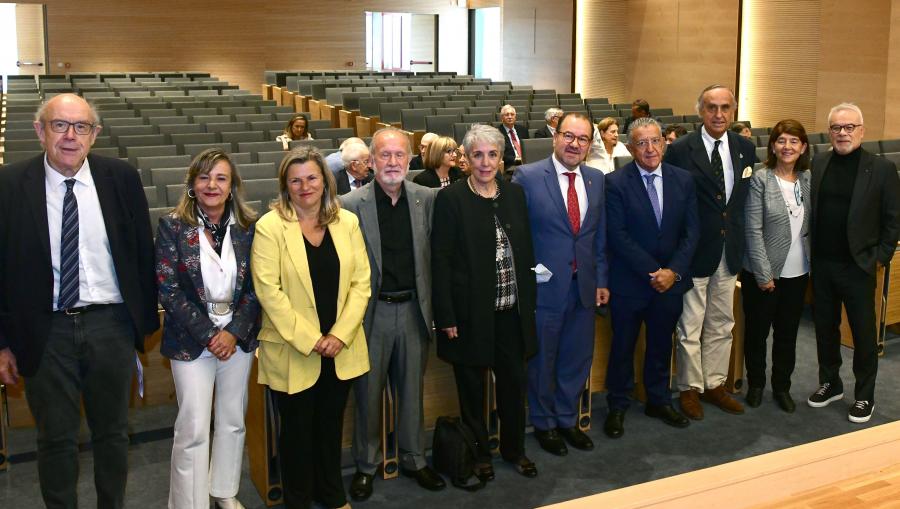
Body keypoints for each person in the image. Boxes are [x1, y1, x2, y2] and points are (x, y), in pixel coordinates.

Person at [0, 93, 159, 508]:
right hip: (44, 331)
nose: (70, 136)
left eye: (81, 127)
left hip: (110, 325)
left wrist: (138, 326)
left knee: (113, 433)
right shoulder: (9, 184)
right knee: (55, 439)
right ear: (40, 130)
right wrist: (2, 342)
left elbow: (143, 252)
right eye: (59, 125)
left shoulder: (121, 178)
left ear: (95, 134)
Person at [251, 147, 371, 509]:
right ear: (285, 186)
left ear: (325, 180)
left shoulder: (345, 221)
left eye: (312, 178)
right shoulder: (269, 226)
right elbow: (268, 291)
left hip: (341, 347)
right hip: (293, 347)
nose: (305, 186)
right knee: (297, 434)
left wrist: (338, 335)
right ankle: (299, 501)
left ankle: (333, 495)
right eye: (296, 180)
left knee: (330, 427)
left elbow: (361, 282)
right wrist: (313, 339)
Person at [342, 127, 446, 500]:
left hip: (415, 311)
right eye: (384, 155)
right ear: (371, 161)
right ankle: (366, 466)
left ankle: (415, 459)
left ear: (410, 159)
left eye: (399, 155)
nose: (392, 162)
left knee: (412, 392)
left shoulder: (426, 198)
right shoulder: (350, 205)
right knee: (367, 394)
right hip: (372, 315)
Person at [432, 124, 539, 480]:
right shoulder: (450, 199)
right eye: (477, 155)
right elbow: (441, 261)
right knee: (472, 390)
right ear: (465, 159)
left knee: (513, 384)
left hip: (510, 312)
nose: (485, 162)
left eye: (492, 154)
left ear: (501, 157)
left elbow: (525, 252)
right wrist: (445, 314)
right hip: (470, 316)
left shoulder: (514, 195)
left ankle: (514, 450)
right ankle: (479, 454)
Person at [156, 149, 260, 509]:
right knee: (194, 427)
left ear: (232, 187)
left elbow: (258, 288)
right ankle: (189, 503)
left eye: (220, 178)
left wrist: (232, 332)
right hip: (191, 340)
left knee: (232, 421)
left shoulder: (250, 227)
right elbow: (168, 289)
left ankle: (224, 491)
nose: (211, 185)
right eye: (204, 177)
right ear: (192, 185)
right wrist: (211, 335)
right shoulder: (172, 226)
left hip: (238, 338)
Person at [513, 112, 609, 456]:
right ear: (556, 136)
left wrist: (601, 279)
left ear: (589, 144)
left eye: (583, 139)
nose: (575, 144)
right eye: (569, 136)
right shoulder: (526, 176)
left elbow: (598, 235)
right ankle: (543, 422)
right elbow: (518, 237)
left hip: (583, 285)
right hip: (544, 287)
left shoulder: (597, 179)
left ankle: (567, 418)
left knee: (576, 357)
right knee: (542, 358)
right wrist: (532, 276)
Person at [663, 84, 757, 421]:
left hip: (728, 251)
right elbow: (673, 208)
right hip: (693, 252)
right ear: (700, 111)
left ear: (733, 111)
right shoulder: (681, 150)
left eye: (725, 108)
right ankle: (689, 388)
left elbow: (739, 204)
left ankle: (715, 384)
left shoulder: (746, 147)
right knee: (690, 325)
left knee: (722, 322)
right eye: (711, 107)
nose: (719, 114)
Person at [603, 118, 699, 438]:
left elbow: (691, 233)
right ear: (630, 148)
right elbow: (617, 236)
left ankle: (658, 400)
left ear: (664, 143)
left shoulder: (683, 180)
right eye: (641, 143)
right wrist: (654, 272)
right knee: (622, 348)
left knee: (661, 345)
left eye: (655, 141)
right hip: (630, 284)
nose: (650, 149)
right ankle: (618, 404)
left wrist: (672, 272)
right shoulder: (615, 182)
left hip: (670, 284)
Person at [807, 103, 900, 423]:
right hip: (823, 264)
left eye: (849, 127)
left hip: (858, 267)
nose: (842, 133)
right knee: (825, 330)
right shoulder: (819, 163)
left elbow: (893, 220)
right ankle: (830, 383)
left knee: (862, 334)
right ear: (829, 132)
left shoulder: (882, 169)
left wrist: (879, 258)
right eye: (836, 128)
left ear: (862, 130)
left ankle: (865, 396)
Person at [741, 120, 811, 414]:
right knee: (757, 333)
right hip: (763, 271)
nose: (787, 147)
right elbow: (753, 229)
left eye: (794, 141)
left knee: (787, 334)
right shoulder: (761, 178)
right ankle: (756, 384)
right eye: (781, 140)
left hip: (798, 271)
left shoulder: (808, 178)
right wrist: (763, 272)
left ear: (803, 147)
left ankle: (782, 386)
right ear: (772, 146)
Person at [498, 104, 530, 170]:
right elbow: (499, 153)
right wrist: (517, 160)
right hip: (510, 166)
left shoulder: (523, 130)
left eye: (512, 114)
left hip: (527, 163)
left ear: (515, 117)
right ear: (502, 117)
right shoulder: (497, 133)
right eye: (507, 115)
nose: (510, 117)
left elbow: (528, 148)